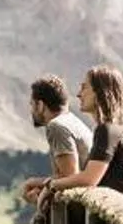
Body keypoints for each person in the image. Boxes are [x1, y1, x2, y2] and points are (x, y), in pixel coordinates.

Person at [39, 66, 123, 202]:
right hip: (122, 208)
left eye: (84, 87)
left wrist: (51, 186)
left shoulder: (107, 130)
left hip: (122, 210)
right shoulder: (111, 129)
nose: (78, 94)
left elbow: (89, 179)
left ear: (100, 92)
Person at [19, 75, 91, 205]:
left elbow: (70, 178)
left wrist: (35, 185)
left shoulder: (56, 126)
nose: (31, 111)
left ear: (40, 105)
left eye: (32, 104)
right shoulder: (72, 121)